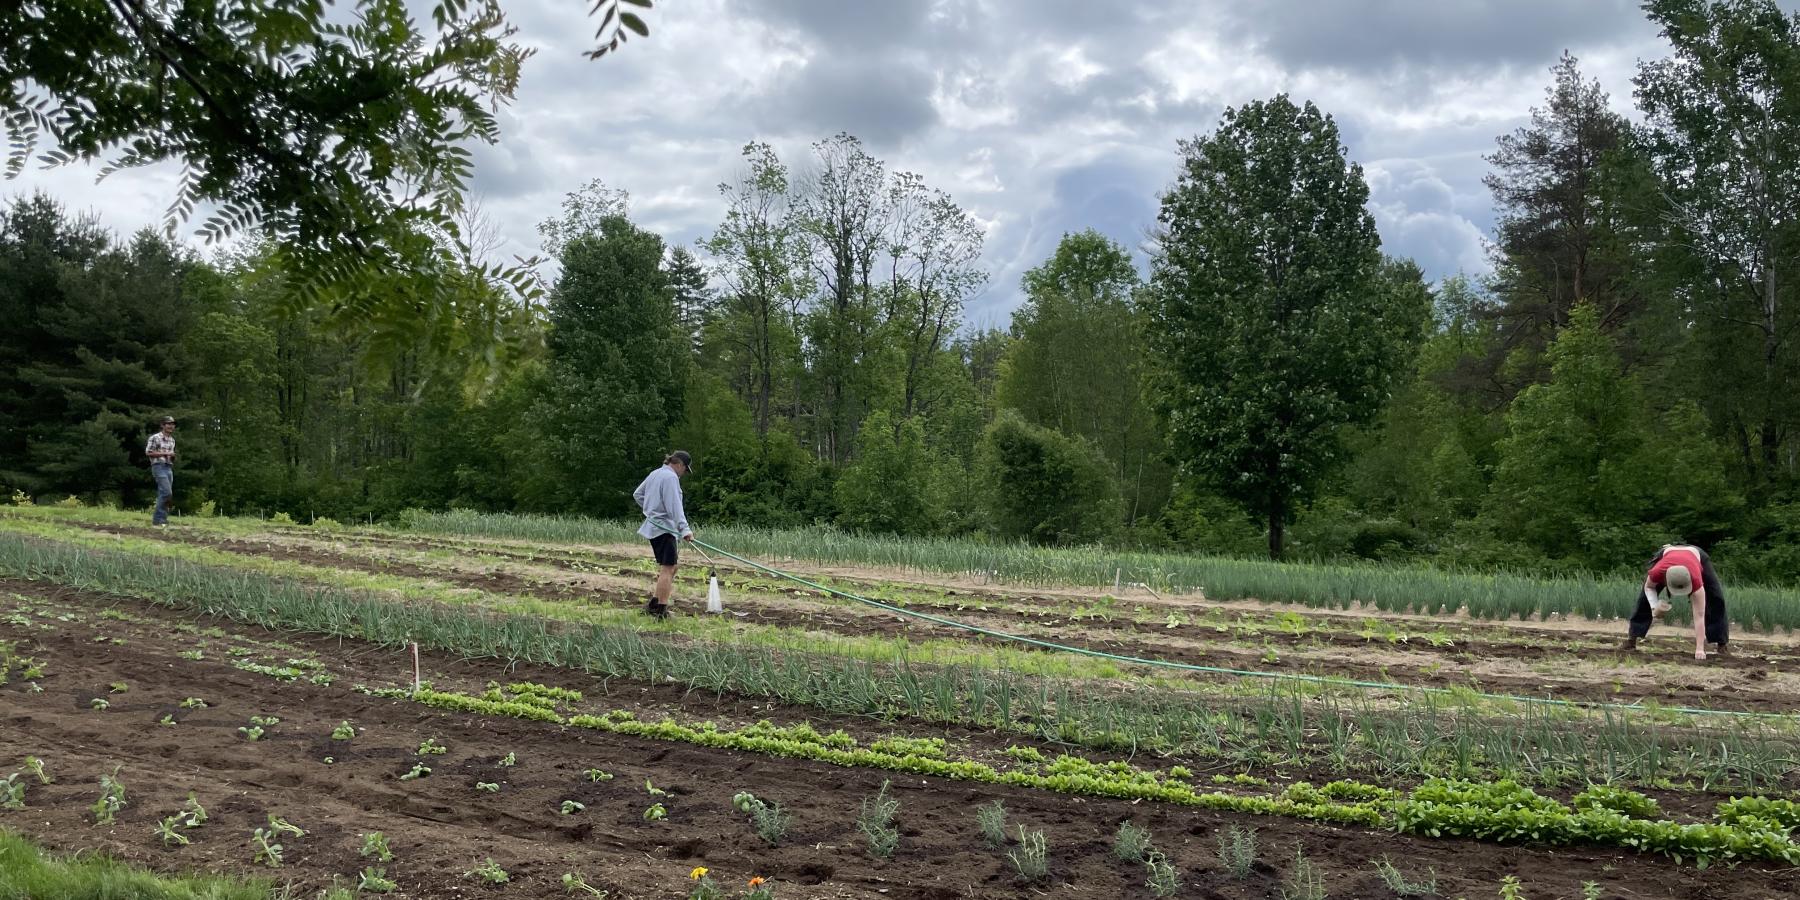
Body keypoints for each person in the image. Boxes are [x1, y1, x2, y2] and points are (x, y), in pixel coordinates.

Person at [1623, 543, 1729, 660]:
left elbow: (1699, 615)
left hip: (1696, 555)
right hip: (1667, 554)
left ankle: (1722, 645)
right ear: (1665, 580)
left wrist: (1700, 649)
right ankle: (1631, 639)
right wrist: (1654, 606)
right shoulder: (1657, 572)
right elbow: (1648, 588)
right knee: (1644, 599)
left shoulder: (1696, 580)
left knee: (1716, 598)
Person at [632, 451, 694, 618]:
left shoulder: (655, 474)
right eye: (685, 470)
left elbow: (637, 494)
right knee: (668, 568)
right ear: (679, 464)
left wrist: (651, 510)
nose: (683, 474)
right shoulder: (671, 478)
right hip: (664, 529)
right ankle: (661, 610)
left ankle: (654, 603)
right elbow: (675, 507)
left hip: (655, 527)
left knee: (672, 567)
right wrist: (685, 530)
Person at [145, 416, 177, 526]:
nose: (171, 426)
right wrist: (166, 454)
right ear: (162, 425)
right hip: (158, 466)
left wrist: (172, 457)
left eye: (172, 424)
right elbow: (148, 452)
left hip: (168, 467)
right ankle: (158, 520)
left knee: (165, 493)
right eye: (168, 424)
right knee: (167, 492)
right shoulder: (155, 438)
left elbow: (170, 455)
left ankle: (162, 519)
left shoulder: (172, 440)